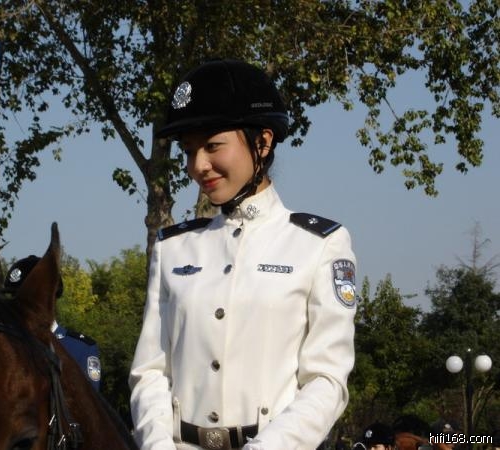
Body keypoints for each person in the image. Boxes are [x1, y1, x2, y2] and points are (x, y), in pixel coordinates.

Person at [129, 59, 357, 450]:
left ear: (262, 142)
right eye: (188, 151)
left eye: (212, 146)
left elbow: (326, 381)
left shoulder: (320, 244)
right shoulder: (172, 249)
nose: (198, 166)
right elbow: (150, 372)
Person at [4, 255, 102, 391]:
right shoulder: (4, 347)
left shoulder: (79, 349)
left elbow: (86, 400)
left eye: (27, 298)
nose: (18, 305)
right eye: (13, 298)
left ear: (49, 299)